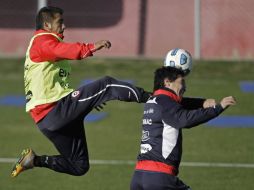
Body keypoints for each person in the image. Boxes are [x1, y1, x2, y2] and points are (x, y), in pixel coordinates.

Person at [11, 6, 151, 177]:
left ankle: (34, 160)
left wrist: (89, 101)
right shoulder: (42, 41)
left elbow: (53, 85)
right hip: (54, 111)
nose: (64, 26)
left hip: (47, 121)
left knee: (79, 166)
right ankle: (154, 98)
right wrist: (91, 47)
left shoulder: (45, 43)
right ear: (47, 25)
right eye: (60, 22)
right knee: (107, 85)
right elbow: (65, 51)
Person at [130, 67, 236, 190]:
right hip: (160, 179)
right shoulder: (165, 101)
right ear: (167, 82)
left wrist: (202, 103)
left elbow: (180, 106)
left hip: (139, 176)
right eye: (182, 82)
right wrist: (218, 108)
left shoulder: (153, 101)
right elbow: (184, 119)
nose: (185, 87)